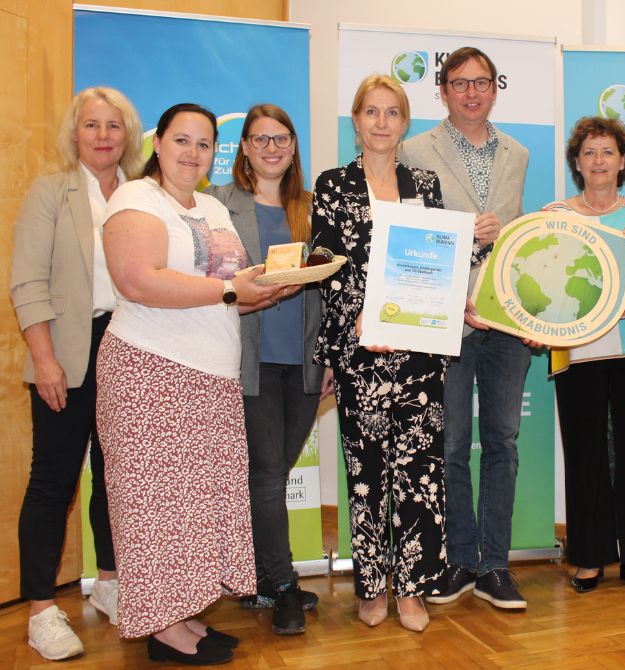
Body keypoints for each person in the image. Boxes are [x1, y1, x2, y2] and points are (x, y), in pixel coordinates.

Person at [96, 103, 282, 665]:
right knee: (155, 510)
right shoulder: (134, 198)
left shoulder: (210, 206)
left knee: (196, 509)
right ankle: (163, 631)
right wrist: (232, 293)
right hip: (151, 373)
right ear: (158, 143)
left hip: (209, 379)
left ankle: (185, 617)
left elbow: (229, 284)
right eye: (181, 141)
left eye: (204, 144)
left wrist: (265, 288)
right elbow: (139, 280)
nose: (192, 153)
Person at [10, 87, 143, 661]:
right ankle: (41, 609)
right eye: (92, 125)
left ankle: (111, 584)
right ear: (75, 133)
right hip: (67, 346)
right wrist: (44, 359)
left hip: (132, 346)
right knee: (53, 481)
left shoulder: (141, 194)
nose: (104, 136)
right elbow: (27, 283)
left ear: (129, 135)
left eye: (114, 126)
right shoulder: (51, 192)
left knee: (118, 478)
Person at [312, 74, 447, 632]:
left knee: (419, 472)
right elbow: (324, 260)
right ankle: (372, 585)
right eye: (371, 111)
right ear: (356, 121)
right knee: (365, 470)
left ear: (404, 121)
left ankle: (412, 591)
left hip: (418, 348)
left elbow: (437, 260)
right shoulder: (332, 184)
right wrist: (360, 315)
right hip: (361, 347)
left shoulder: (425, 183)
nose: (382, 122)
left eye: (392, 112)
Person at [398, 46, 532, 609]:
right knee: (450, 445)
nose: (471, 92)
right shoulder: (412, 150)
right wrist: (462, 231)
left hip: (502, 316)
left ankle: (496, 566)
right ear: (443, 90)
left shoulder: (518, 153)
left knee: (502, 441)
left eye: (481, 82)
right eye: (460, 83)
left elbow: (520, 240)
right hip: (441, 315)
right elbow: (408, 233)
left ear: (494, 88)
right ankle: (458, 560)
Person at [542, 117, 625, 595]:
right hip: (575, 348)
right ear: (576, 163)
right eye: (589, 152)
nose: (599, 161)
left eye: (608, 152)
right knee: (584, 453)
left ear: (623, 161)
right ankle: (589, 557)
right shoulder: (554, 214)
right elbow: (539, 280)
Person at [207, 103, 324, 636]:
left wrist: (329, 359)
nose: (272, 148)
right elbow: (212, 281)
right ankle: (281, 584)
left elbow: (331, 290)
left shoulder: (312, 207)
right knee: (268, 475)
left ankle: (262, 574)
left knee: (272, 472)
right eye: (260, 139)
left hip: (304, 363)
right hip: (247, 363)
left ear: (293, 146)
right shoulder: (218, 205)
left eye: (281, 138)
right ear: (245, 149)